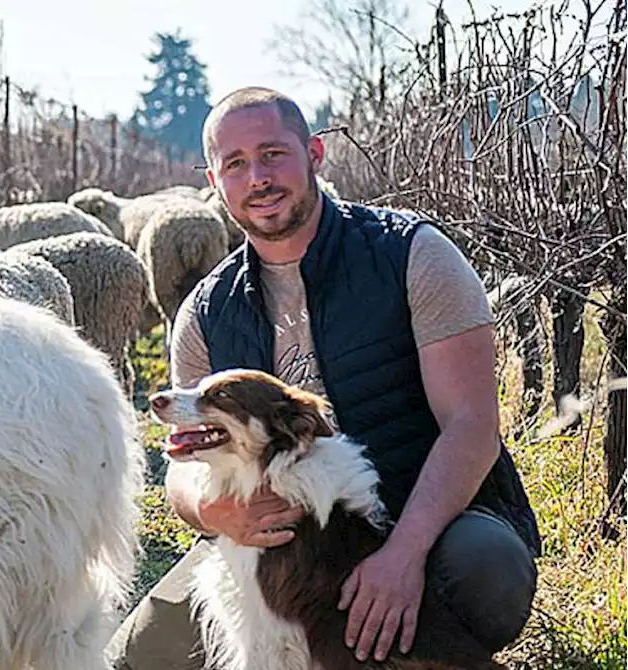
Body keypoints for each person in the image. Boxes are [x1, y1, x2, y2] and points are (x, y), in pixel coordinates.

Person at [105, 87, 541, 669]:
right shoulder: (207, 312)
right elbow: (183, 467)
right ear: (214, 180)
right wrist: (215, 514)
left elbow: (471, 425)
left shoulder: (410, 254)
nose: (257, 177)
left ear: (314, 153)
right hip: (275, 542)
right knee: (143, 656)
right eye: (235, 164)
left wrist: (402, 556)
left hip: (418, 518)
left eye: (273, 153)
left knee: (485, 569)